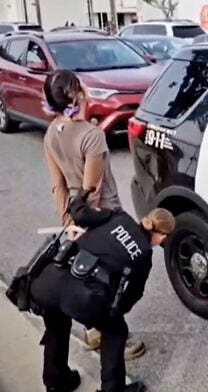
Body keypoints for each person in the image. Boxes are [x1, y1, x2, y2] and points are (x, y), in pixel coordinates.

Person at [42, 69, 146, 360]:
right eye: (81, 87)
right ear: (76, 95)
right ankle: (115, 339)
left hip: (75, 217)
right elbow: (93, 189)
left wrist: (68, 221)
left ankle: (92, 331)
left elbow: (58, 184)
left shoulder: (51, 134)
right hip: (103, 216)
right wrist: (90, 226)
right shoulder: (92, 135)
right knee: (112, 277)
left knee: (86, 274)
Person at [30, 193, 175, 392]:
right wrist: (111, 314)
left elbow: (80, 214)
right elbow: (130, 297)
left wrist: (79, 199)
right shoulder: (144, 255)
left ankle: (56, 386)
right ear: (161, 237)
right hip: (82, 298)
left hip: (49, 279)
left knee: (57, 326)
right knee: (115, 331)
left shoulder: (119, 217)